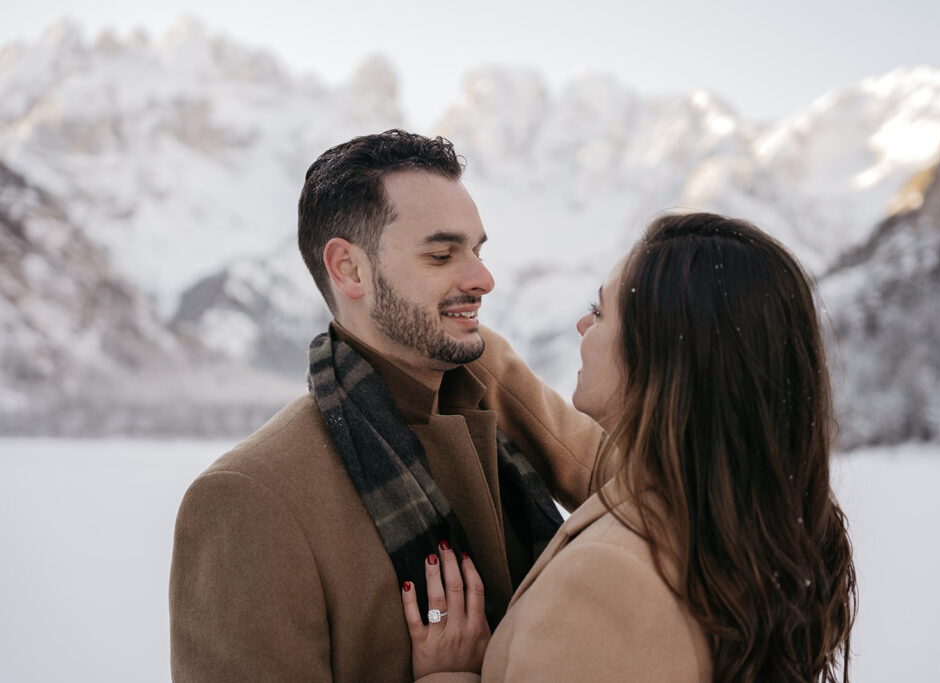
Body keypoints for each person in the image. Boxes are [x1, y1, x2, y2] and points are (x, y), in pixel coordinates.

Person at [169, 130, 604, 682]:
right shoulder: (246, 497)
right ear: (349, 270)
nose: (484, 279)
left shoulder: (486, 398)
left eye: (478, 250)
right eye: (442, 254)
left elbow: (643, 485)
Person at [402, 212, 858, 682]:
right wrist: (458, 332)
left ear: (658, 355)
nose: (583, 324)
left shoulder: (608, 583)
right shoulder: (733, 509)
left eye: (599, 312)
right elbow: (590, 454)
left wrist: (448, 676)